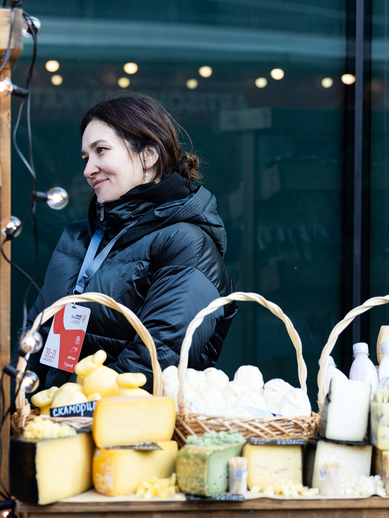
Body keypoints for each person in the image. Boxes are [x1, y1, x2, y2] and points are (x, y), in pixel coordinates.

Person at [15, 91, 236, 393]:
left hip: (127, 432)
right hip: (54, 425)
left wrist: (70, 409)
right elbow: (35, 340)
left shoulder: (187, 244)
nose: (88, 169)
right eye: (85, 157)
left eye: (101, 150)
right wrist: (25, 402)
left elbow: (154, 361)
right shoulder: (78, 238)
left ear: (149, 155)